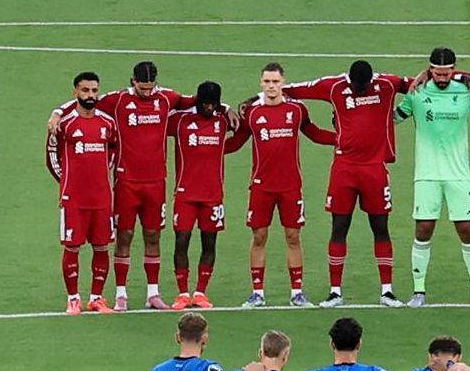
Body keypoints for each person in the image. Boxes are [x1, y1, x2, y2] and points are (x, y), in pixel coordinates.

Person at [288, 56, 407, 305]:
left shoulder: (386, 84)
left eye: (364, 86)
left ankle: (387, 290)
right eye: (357, 86)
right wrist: (262, 96)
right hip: (344, 169)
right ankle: (335, 291)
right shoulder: (335, 87)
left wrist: (456, 76)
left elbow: (418, 82)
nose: (360, 90)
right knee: (339, 227)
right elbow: (298, 89)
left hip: (375, 168)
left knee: (380, 228)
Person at [398, 46, 470, 307]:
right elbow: (394, 118)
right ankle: (418, 291)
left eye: (446, 73)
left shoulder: (466, 91)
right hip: (426, 174)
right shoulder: (417, 92)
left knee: (467, 229)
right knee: (424, 228)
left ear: (453, 71)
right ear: (429, 70)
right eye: (436, 73)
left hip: (458, 174)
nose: (441, 78)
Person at [238, 61, 329, 307]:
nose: (271, 86)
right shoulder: (252, 113)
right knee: (259, 236)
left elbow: (315, 134)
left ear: (283, 83)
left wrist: (342, 139)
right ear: (260, 83)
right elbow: (236, 142)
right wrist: (209, 147)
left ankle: (297, 293)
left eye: (275, 82)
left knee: (293, 236)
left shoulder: (297, 110)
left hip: (290, 186)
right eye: (267, 82)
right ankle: (257, 293)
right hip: (261, 186)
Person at [110, 59, 182, 313]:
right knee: (125, 235)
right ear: (133, 82)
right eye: (143, 88)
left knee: (153, 235)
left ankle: (153, 293)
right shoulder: (118, 101)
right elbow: (84, 106)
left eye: (151, 87)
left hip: (156, 182)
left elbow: (196, 102)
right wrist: (56, 113)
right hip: (126, 181)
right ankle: (121, 294)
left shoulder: (165, 99)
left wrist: (226, 107)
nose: (148, 92)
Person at [52, 71, 127, 313]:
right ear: (75, 92)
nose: (90, 95)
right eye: (85, 90)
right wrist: (65, 181)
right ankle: (73, 298)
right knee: (72, 247)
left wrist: (102, 176)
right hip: (73, 198)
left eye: (94, 90)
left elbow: (114, 152)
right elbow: (51, 156)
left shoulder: (107, 123)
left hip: (102, 198)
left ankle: (96, 297)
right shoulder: (64, 124)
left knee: (101, 246)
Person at [168, 80, 236, 313]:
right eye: (204, 103)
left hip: (213, 196)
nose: (209, 108)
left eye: (213, 104)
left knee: (209, 242)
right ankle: (182, 293)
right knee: (181, 241)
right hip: (185, 194)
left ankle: (200, 292)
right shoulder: (180, 121)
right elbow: (157, 119)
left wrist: (226, 109)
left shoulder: (223, 120)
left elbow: (246, 124)